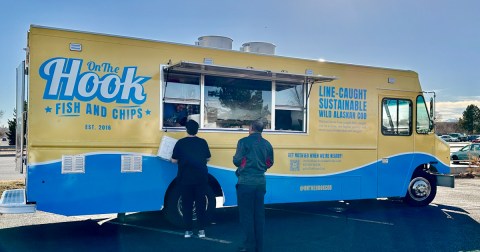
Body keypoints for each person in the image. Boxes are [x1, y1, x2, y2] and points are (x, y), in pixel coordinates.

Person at [233, 120, 274, 252]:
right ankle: (259, 247)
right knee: (259, 216)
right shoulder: (267, 144)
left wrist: (243, 165)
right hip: (261, 183)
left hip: (246, 182)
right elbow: (269, 163)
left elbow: (237, 160)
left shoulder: (243, 142)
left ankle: (249, 246)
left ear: (251, 128)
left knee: (246, 216)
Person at [171, 120, 211, 238]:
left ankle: (188, 231)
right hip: (201, 178)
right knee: (200, 204)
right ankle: (201, 231)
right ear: (197, 130)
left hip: (185, 179)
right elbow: (208, 158)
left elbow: (174, 160)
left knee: (187, 204)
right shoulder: (203, 142)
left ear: (186, 129)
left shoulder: (180, 143)